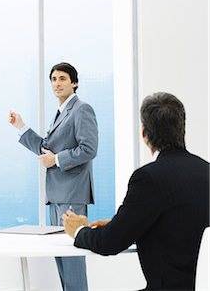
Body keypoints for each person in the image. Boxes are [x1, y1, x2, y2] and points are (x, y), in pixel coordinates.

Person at [63, 92, 210, 290]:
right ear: (182, 128)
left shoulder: (149, 178)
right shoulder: (206, 171)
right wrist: (125, 222)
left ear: (144, 133)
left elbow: (109, 243)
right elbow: (184, 221)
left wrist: (79, 231)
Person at [9, 62, 98, 291]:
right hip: (57, 195)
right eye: (54, 79)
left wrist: (57, 160)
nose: (57, 83)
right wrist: (21, 127)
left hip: (72, 195)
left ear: (74, 83)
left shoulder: (81, 109)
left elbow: (89, 149)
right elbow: (46, 149)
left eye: (62, 79)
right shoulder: (60, 113)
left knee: (72, 261)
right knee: (61, 259)